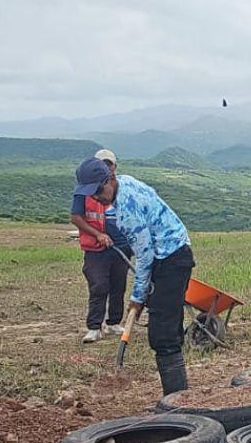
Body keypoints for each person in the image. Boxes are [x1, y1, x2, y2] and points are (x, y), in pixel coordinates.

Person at [76, 157, 195, 394]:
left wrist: (137, 298)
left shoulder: (126, 213)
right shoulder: (125, 181)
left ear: (110, 179)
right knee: (167, 324)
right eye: (91, 194)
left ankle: (177, 398)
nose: (96, 197)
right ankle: (178, 395)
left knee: (162, 333)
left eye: (98, 190)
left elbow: (144, 257)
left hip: (172, 257)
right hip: (170, 254)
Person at [69, 149, 131, 341]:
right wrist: (97, 234)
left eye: (108, 164)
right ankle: (94, 326)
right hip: (96, 248)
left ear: (114, 167)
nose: (106, 167)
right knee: (98, 285)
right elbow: (75, 217)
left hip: (121, 246)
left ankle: (113, 323)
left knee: (118, 285)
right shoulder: (85, 191)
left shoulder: (121, 188)